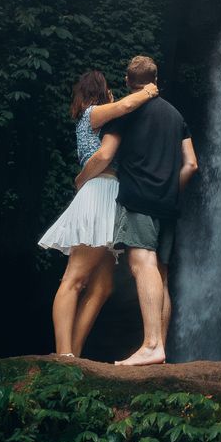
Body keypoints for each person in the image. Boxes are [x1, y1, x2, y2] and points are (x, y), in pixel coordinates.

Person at [72, 55, 196, 366]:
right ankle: (160, 349)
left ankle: (152, 345)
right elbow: (191, 164)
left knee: (142, 266)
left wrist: (81, 178)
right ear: (156, 80)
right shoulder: (176, 115)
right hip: (169, 203)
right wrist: (171, 189)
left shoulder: (128, 112)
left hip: (140, 198)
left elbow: (106, 154)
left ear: (128, 81)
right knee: (161, 275)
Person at [38, 69, 157, 358]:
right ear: (101, 92)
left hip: (110, 195)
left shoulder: (99, 121)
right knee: (74, 279)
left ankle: (74, 354)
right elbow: (125, 107)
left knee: (102, 286)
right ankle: (64, 355)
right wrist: (148, 91)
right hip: (98, 193)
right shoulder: (92, 113)